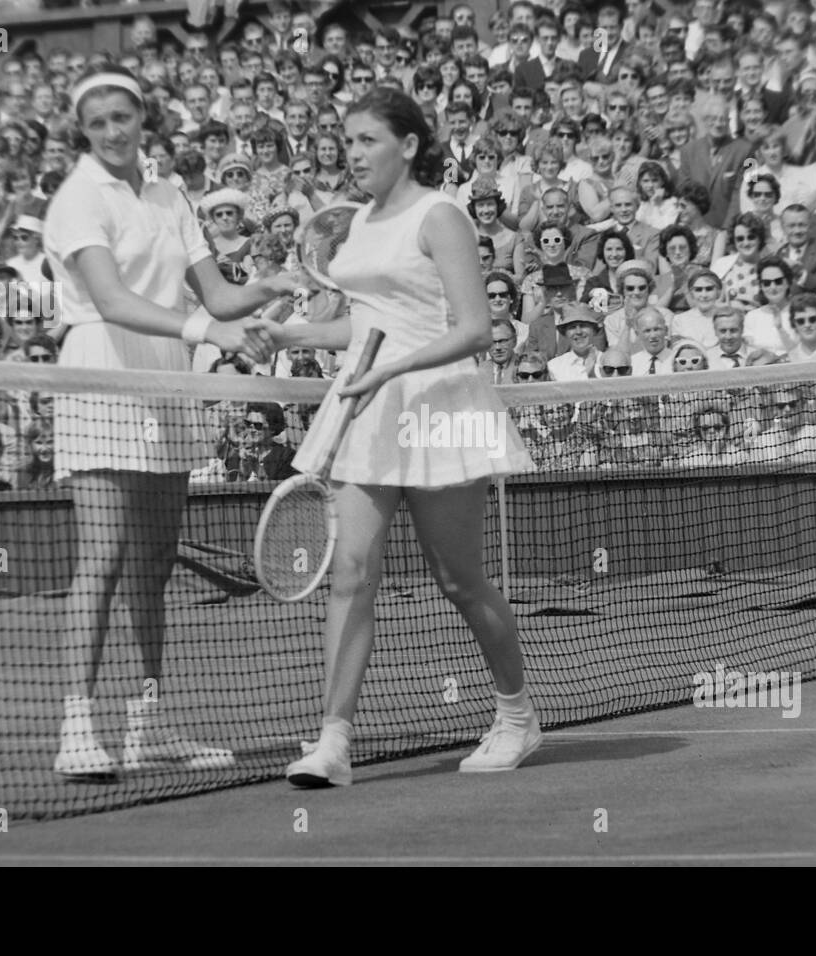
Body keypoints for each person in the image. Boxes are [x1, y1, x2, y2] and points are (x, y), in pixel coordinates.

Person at [263, 88, 540, 787]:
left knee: (458, 579)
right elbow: (361, 324)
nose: (351, 153)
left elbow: (474, 328)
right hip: (368, 406)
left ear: (409, 146)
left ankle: (516, 717)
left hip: (440, 406)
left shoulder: (440, 214)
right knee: (352, 574)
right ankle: (333, 743)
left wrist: (390, 368)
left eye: (366, 140)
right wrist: (290, 332)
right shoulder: (354, 224)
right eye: (345, 140)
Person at [42, 67, 300, 782]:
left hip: (167, 378)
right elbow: (114, 300)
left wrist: (265, 291)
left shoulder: (166, 194)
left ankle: (147, 724)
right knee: (103, 555)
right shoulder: (75, 200)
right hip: (101, 371)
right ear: (84, 130)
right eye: (98, 122)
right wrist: (208, 332)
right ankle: (78, 725)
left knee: (153, 566)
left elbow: (216, 295)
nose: (113, 130)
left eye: (122, 116)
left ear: (142, 117)